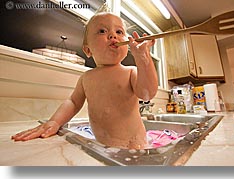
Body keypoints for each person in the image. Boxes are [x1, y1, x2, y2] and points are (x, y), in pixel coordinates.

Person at [11, 12, 158, 149]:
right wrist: (55, 121)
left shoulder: (130, 72)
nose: (113, 35)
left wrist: (144, 60)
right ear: (88, 50)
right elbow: (73, 102)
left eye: (119, 32)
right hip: (102, 148)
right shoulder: (86, 78)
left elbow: (147, 94)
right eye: (102, 31)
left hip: (135, 148)